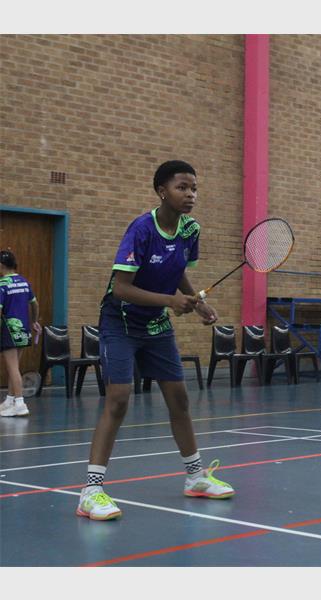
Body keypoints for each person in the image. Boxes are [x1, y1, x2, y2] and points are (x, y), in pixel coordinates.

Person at [77, 160, 235, 521]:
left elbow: (176, 269)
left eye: (194, 188)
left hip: (156, 326)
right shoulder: (141, 229)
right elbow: (120, 287)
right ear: (162, 191)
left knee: (179, 399)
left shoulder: (190, 229)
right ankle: (91, 491)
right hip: (119, 321)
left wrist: (196, 303)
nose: (190, 194)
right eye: (182, 187)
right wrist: (170, 301)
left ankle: (196, 477)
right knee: (118, 399)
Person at [0, 250, 41, 417]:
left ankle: (20, 403)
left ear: (1, 266)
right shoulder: (24, 282)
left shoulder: (2, 284)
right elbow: (35, 304)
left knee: (13, 368)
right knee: (14, 367)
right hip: (24, 330)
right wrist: (34, 321)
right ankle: (10, 400)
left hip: (9, 330)